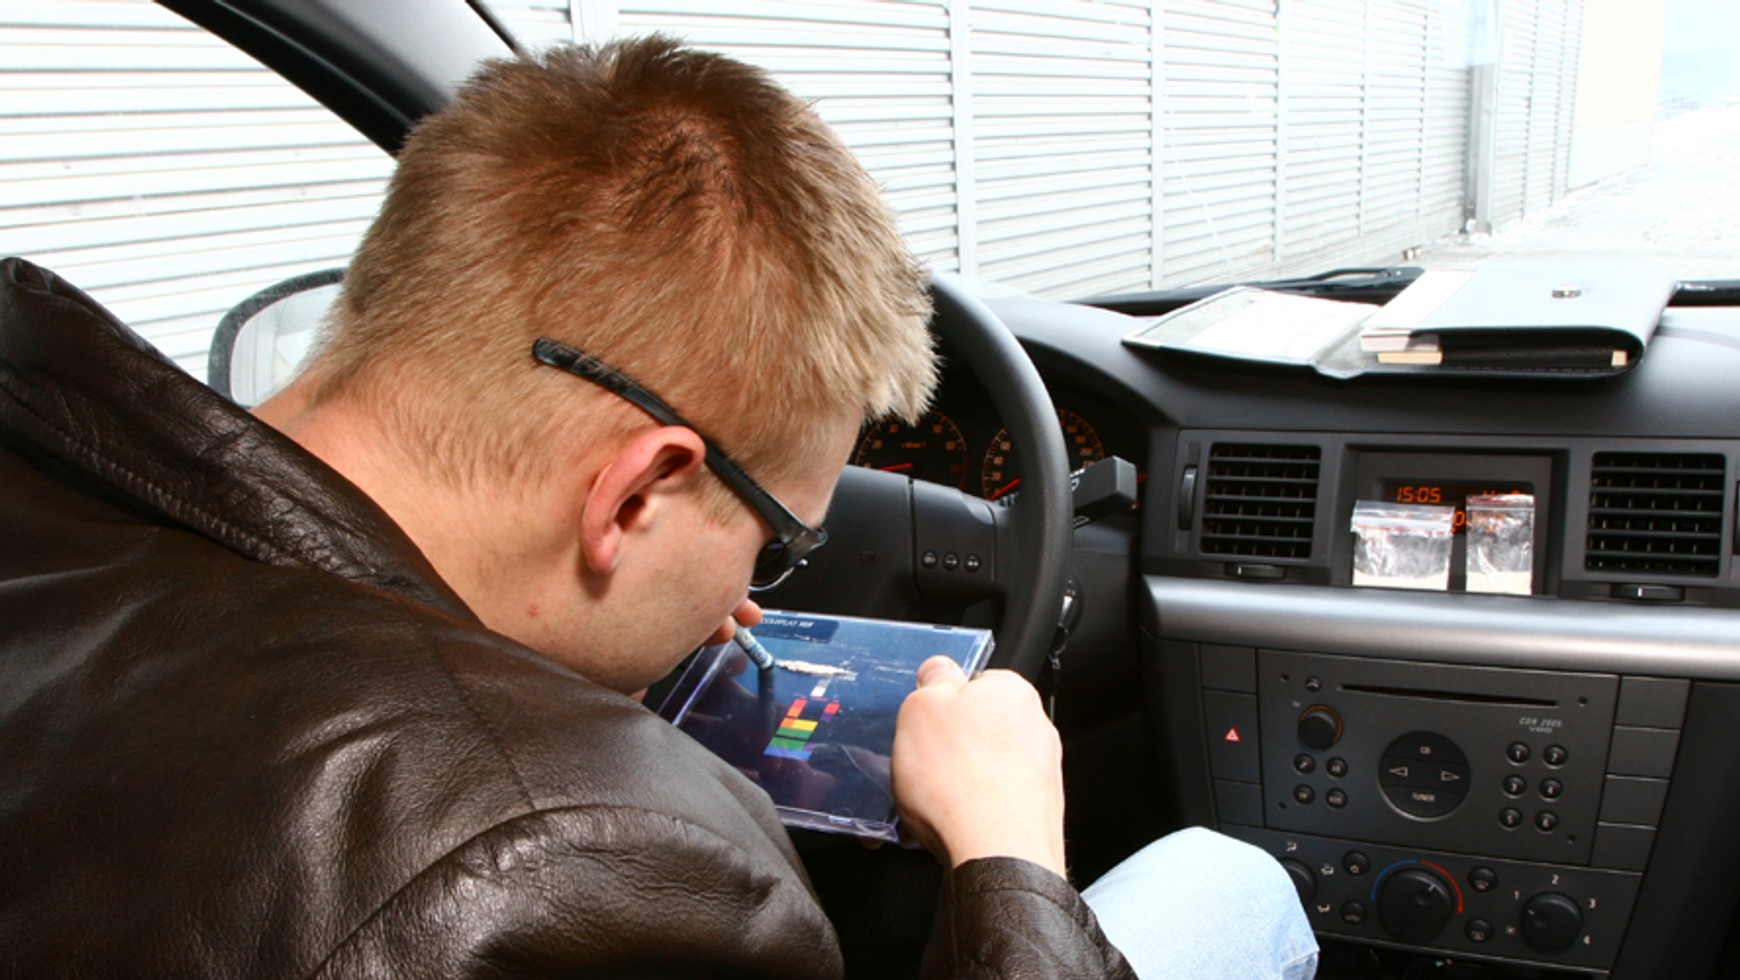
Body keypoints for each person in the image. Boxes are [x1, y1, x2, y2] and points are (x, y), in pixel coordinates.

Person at [0, 36, 1314, 978]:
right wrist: (1008, 856)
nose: (747, 602)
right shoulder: (585, 851)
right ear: (634, 493)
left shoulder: (42, 469)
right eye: (777, 541)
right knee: (1231, 877)